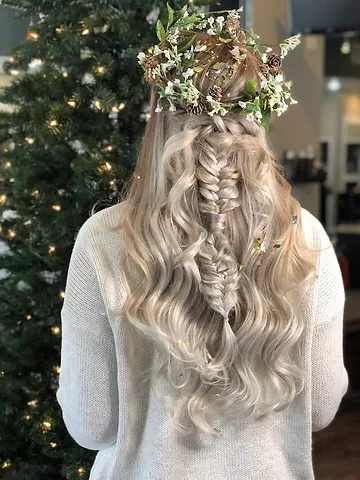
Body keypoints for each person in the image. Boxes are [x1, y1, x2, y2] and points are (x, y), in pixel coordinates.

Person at [56, 6, 348, 480]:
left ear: (158, 117)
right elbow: (319, 407)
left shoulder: (105, 240)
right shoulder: (304, 233)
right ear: (257, 112)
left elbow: (92, 424)